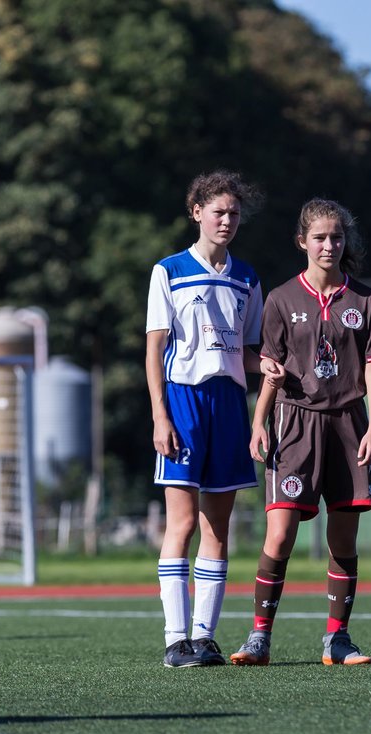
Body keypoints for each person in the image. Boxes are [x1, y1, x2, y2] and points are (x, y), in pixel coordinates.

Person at [229, 198, 371, 667]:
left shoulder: (365, 300)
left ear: (345, 242)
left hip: (348, 423)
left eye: (336, 237)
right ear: (302, 241)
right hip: (294, 422)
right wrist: (259, 420)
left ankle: (337, 639)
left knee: (343, 539)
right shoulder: (281, 298)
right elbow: (272, 371)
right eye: (319, 237)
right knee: (279, 535)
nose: (328, 245)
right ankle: (259, 637)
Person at [145, 170, 282, 669]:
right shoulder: (169, 271)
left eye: (234, 213)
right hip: (184, 402)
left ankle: (204, 637)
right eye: (218, 211)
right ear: (196, 211)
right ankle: (175, 639)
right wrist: (161, 416)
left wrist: (262, 363)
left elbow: (244, 351)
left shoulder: (247, 278)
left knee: (218, 529)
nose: (226, 220)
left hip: (229, 405)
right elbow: (154, 349)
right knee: (180, 522)